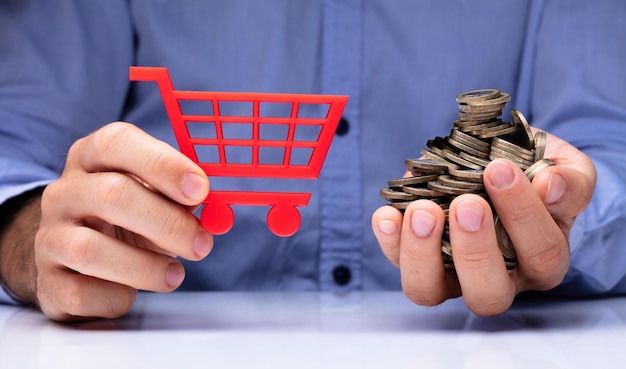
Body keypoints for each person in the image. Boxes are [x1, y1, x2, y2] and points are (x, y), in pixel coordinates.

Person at [0, 1, 623, 321]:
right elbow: (14, 150)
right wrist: (32, 235)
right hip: (152, 368)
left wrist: (561, 217)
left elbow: (608, 150)